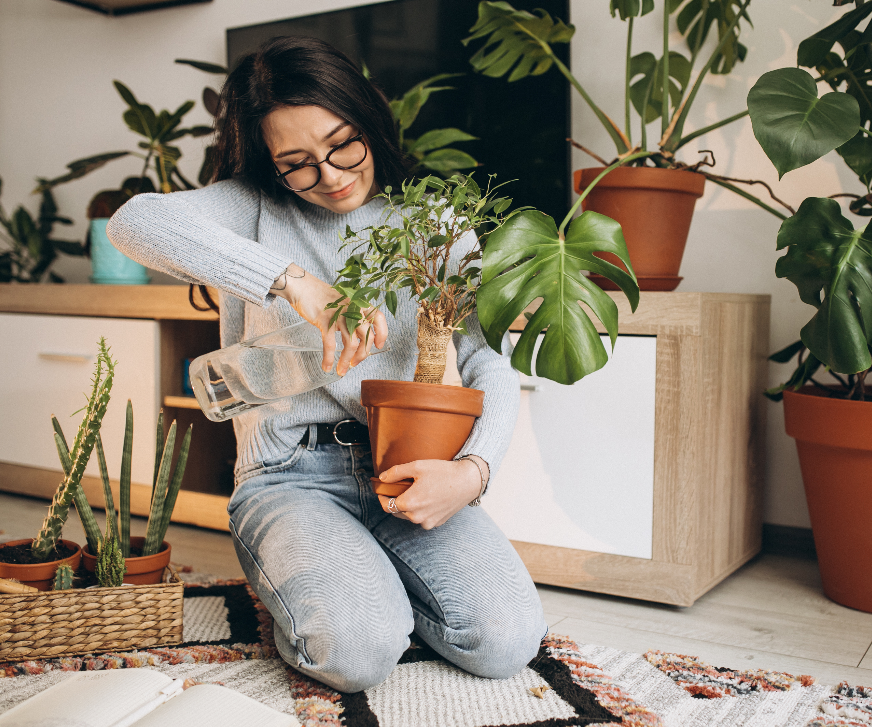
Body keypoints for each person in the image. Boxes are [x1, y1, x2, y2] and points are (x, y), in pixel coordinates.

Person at [107, 36, 546, 692]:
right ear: (271, 162)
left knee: (507, 638)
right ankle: (338, 583)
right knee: (358, 650)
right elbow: (134, 222)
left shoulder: (434, 221)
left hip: (408, 468)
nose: (332, 174)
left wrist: (472, 471)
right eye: (299, 162)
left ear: (367, 117)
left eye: (343, 143)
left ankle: (364, 573)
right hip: (290, 475)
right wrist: (292, 283)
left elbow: (485, 357)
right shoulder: (252, 205)